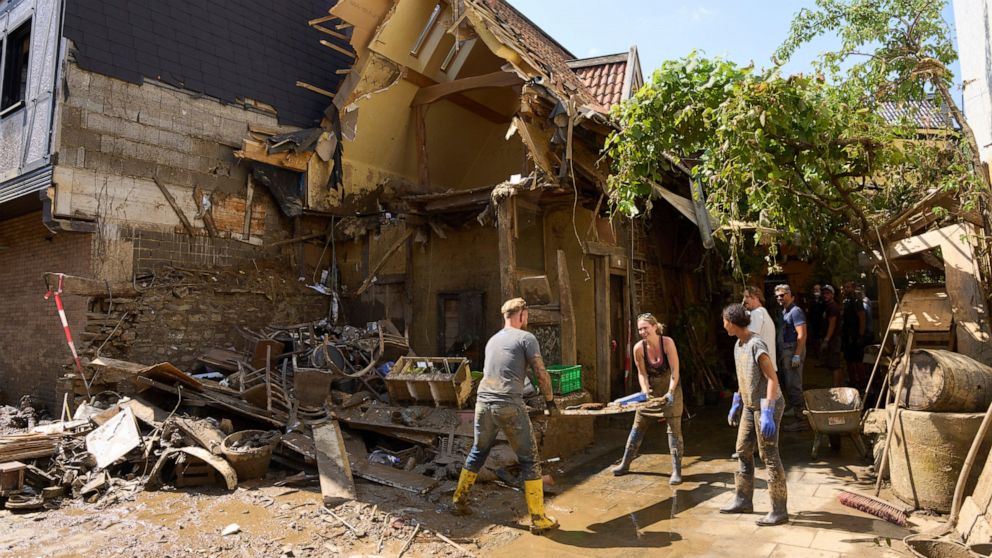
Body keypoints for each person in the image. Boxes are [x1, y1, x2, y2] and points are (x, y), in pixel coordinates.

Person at [452, 298, 559, 534]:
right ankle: (538, 519)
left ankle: (459, 501)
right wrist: (550, 401)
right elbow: (540, 373)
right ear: (521, 314)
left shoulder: (493, 339)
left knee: (478, 451)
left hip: (483, 404)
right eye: (526, 315)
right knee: (529, 460)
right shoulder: (526, 338)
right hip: (509, 404)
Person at [720, 303, 789, 526]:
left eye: (724, 321)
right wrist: (736, 403)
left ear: (732, 321)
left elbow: (772, 378)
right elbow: (743, 376)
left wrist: (767, 411)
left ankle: (779, 510)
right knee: (742, 449)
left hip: (768, 404)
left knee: (769, 454)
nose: (723, 325)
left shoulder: (756, 344)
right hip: (750, 406)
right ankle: (743, 499)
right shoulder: (737, 345)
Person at [611, 313, 684, 484]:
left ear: (655, 327)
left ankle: (677, 471)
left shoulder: (667, 343)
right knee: (638, 426)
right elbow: (642, 373)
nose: (643, 332)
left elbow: (675, 371)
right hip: (651, 391)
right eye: (640, 329)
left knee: (674, 429)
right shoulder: (638, 348)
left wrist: (671, 392)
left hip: (670, 390)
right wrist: (645, 392)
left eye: (645, 328)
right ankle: (625, 463)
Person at [774, 284, 807, 431]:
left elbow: (802, 334)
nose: (780, 298)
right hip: (786, 350)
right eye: (777, 296)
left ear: (790, 295)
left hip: (793, 349)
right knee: (788, 382)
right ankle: (794, 409)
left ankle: (801, 420)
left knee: (794, 384)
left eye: (783, 295)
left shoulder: (796, 311)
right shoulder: (784, 311)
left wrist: (797, 355)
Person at [841, 281, 868, 391]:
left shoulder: (857, 301)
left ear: (852, 288)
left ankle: (862, 383)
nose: (846, 289)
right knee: (849, 360)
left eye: (848, 287)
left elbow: (862, 318)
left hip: (855, 334)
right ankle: (852, 382)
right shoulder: (846, 301)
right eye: (845, 287)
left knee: (857, 361)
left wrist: (860, 335)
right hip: (847, 335)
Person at [821, 284, 843, 388]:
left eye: (827, 293)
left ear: (832, 295)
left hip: (834, 339)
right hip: (832, 339)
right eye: (824, 293)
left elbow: (832, 324)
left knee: (835, 365)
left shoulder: (833, 307)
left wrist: (827, 339)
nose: (825, 295)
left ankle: (836, 387)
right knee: (832, 364)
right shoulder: (828, 306)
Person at [807, 284, 825, 359]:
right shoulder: (811, 301)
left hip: (822, 324)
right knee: (815, 340)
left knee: (821, 340)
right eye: (815, 289)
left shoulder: (824, 300)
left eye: (818, 289)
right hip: (813, 324)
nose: (816, 291)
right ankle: (817, 355)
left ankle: (822, 356)